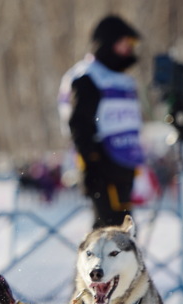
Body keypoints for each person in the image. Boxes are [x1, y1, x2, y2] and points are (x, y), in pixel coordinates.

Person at [58, 15, 145, 229]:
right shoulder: (89, 77)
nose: (129, 49)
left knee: (124, 232)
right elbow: (79, 125)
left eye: (132, 44)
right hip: (103, 169)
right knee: (108, 233)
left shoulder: (123, 79)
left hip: (124, 165)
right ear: (108, 43)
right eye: (125, 43)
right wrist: (92, 163)